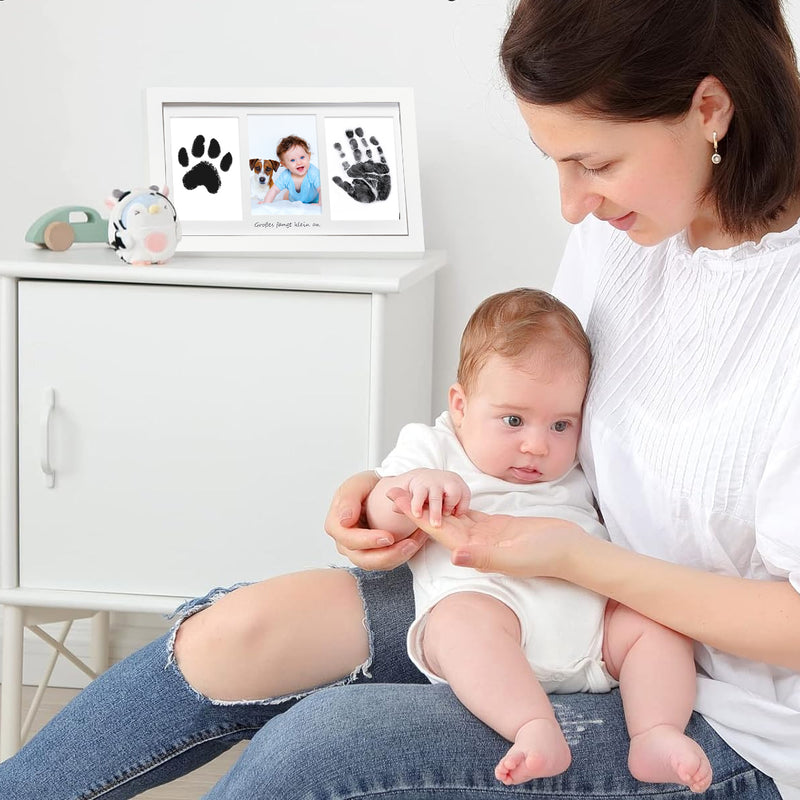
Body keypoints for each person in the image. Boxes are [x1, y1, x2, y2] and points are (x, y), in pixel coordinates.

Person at [0, 0, 798, 797]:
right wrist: (389, 492)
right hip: (545, 588)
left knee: (315, 751)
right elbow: (531, 408)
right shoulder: (621, 235)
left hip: (733, 713)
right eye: (554, 162)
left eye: (594, 163)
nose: (570, 203)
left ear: (709, 109)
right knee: (235, 636)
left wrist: (577, 558)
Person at [366, 287, 710, 790]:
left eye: (560, 424)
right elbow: (381, 515)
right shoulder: (434, 446)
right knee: (459, 625)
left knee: (657, 624)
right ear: (461, 405)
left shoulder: (575, 465)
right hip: (494, 610)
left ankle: (655, 731)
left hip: (594, 630)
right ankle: (532, 725)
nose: (536, 444)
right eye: (513, 420)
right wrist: (417, 488)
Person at [264, 134, 321, 204]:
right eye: (292, 160)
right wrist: (266, 203)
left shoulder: (313, 172)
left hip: (315, 199)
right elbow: (274, 190)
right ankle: (288, 194)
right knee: (286, 197)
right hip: (294, 199)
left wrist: (320, 203)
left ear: (308, 157)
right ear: (285, 165)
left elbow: (322, 189)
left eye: (302, 157)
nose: (299, 162)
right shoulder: (286, 176)